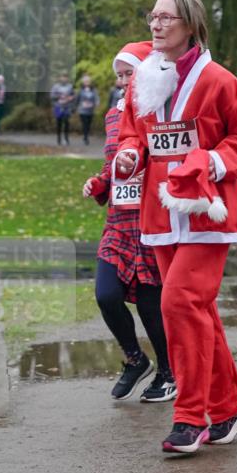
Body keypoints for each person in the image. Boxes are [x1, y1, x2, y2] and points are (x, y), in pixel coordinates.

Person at [114, 0, 237, 455]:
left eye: (165, 18)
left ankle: (189, 417)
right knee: (198, 311)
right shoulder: (142, 79)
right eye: (152, 17)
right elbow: (132, 134)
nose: (156, 25)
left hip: (207, 212)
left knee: (178, 304)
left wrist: (215, 162)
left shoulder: (220, 80)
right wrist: (127, 156)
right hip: (160, 213)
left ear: (190, 24)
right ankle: (231, 406)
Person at [83, 41, 175, 404]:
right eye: (119, 75)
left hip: (150, 220)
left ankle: (168, 374)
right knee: (106, 295)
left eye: (129, 73)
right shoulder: (112, 115)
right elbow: (113, 163)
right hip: (119, 222)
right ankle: (135, 359)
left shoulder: (159, 111)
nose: (123, 81)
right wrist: (100, 182)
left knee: (152, 307)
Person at [50, 74, 75, 145]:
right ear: (60, 78)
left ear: (67, 79)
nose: (64, 79)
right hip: (58, 107)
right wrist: (59, 96)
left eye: (65, 78)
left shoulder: (70, 86)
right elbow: (52, 96)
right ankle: (59, 138)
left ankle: (66, 138)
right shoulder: (55, 87)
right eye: (62, 77)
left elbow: (73, 95)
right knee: (59, 123)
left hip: (67, 107)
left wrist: (70, 98)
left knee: (67, 123)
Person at [75, 74, 100, 145]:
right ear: (83, 82)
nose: (87, 82)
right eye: (85, 81)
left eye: (88, 81)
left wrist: (97, 103)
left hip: (90, 110)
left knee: (88, 124)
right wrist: (75, 107)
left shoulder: (93, 90)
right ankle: (85, 137)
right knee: (84, 123)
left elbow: (96, 98)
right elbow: (77, 99)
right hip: (82, 110)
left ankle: (86, 134)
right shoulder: (80, 90)